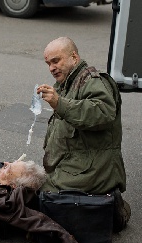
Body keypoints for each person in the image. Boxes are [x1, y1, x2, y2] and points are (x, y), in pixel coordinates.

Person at [36, 37, 130, 232]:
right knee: (31, 183)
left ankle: (113, 210)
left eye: (56, 61)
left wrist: (58, 103)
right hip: (77, 164)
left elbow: (103, 113)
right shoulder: (68, 83)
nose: (51, 68)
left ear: (74, 57)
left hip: (93, 168)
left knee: (41, 195)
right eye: (48, 63)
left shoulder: (93, 81)